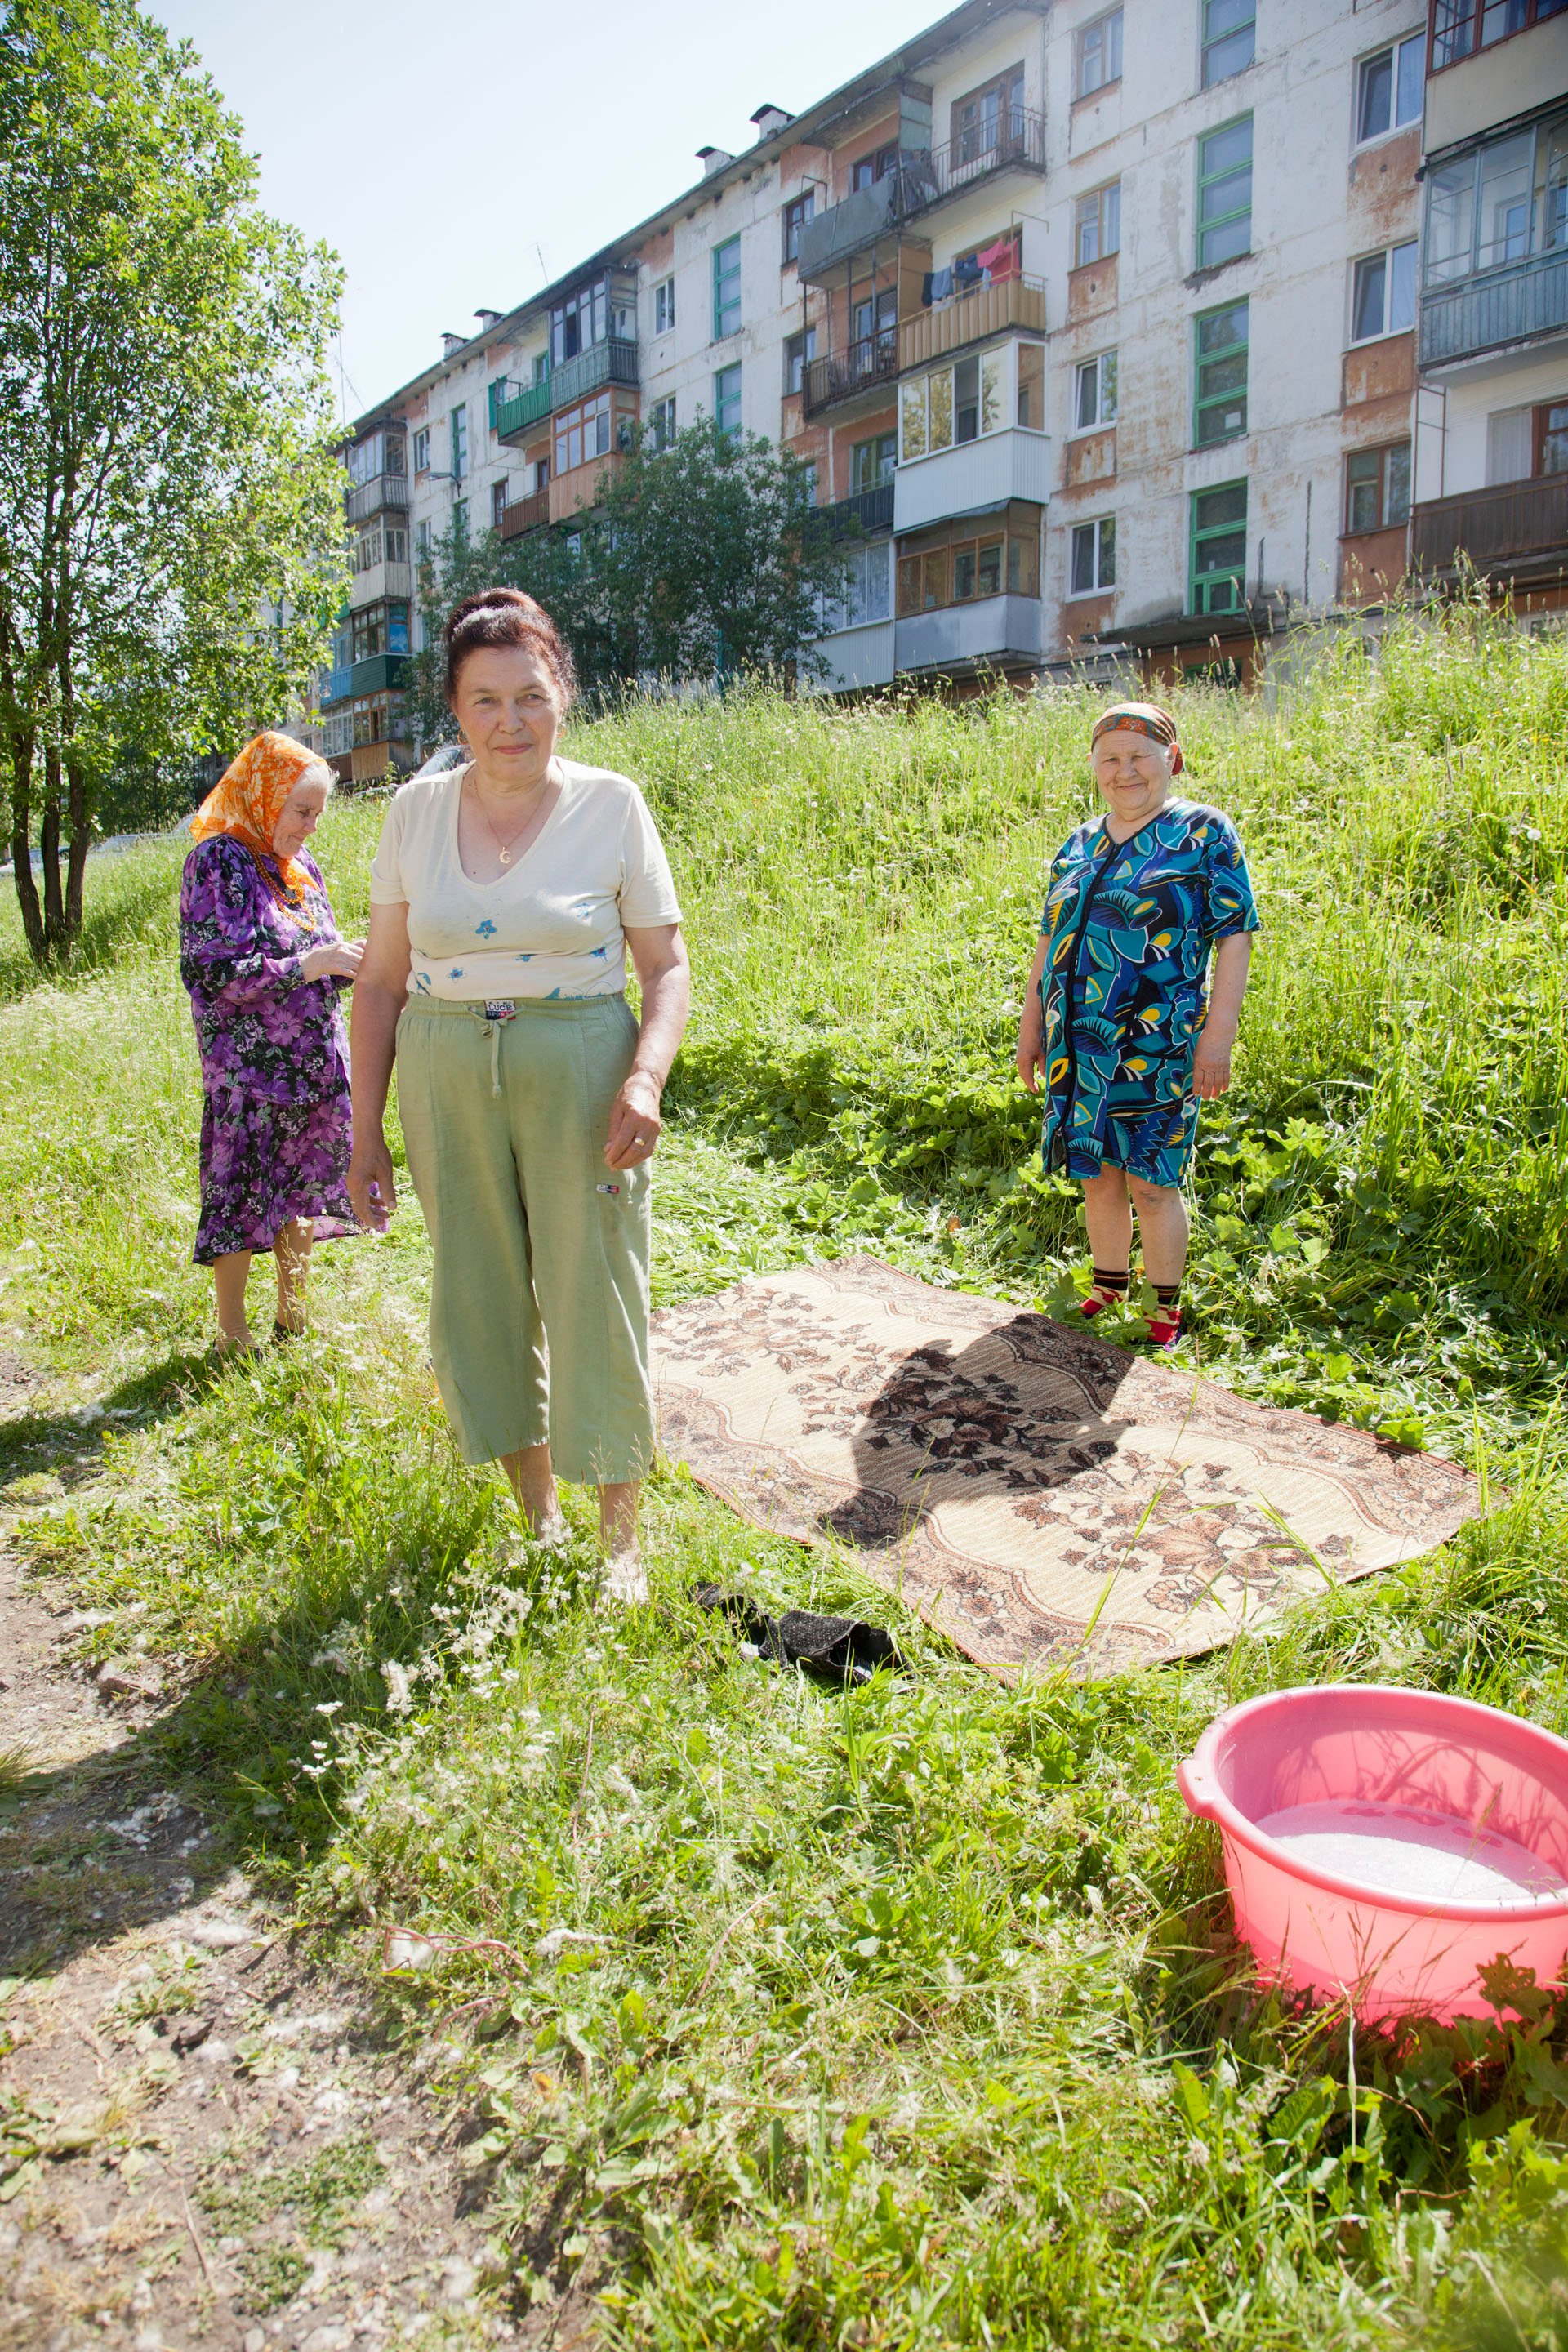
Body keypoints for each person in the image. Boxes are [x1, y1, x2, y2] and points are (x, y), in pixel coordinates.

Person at [347, 589, 690, 1602]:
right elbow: (377, 981)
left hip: (580, 1060)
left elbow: (666, 969)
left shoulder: (611, 804)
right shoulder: (414, 811)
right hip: (445, 1066)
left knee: (596, 1289)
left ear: (563, 700)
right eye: (486, 701)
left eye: (530, 698)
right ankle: (537, 1517)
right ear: (456, 712)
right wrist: (363, 1132)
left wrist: (644, 1073)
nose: (510, 723)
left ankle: (618, 1541)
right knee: (478, 1294)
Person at [1015, 701, 1258, 1351]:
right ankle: (1108, 1287)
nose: (1125, 772)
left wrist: (1219, 1037)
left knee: (1152, 1181)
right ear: (1096, 769)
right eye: (1110, 760)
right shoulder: (1078, 843)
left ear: (1170, 762)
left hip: (1158, 1041)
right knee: (1095, 1174)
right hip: (1077, 1041)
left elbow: (1235, 939)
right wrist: (1030, 1023)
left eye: (1139, 757)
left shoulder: (1203, 833)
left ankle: (1165, 1308)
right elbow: (1048, 941)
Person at [180, 732, 364, 1349]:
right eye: (302, 810)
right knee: (238, 1192)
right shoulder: (217, 861)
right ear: (265, 797)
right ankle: (233, 1334)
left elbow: (317, 948)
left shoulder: (300, 869)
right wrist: (309, 965)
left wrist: (346, 962)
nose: (311, 826)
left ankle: (293, 1317)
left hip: (311, 1063)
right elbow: (210, 972)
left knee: (302, 1186)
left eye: (317, 813)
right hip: (248, 1072)